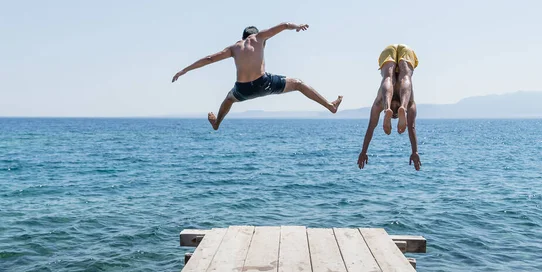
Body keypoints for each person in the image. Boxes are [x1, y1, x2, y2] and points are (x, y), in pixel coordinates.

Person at [172, 23, 343, 130]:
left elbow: (209, 59)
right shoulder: (260, 37)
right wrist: (296, 26)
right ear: (256, 36)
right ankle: (330, 106)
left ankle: (216, 124)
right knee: (298, 83)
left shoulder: (233, 48)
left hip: (242, 89)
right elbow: (283, 25)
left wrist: (184, 70)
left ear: (242, 37)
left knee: (228, 100)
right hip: (264, 83)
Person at [357, 44, 421, 171]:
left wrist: (364, 151)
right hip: (403, 52)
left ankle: (387, 107)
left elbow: (371, 127)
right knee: (406, 76)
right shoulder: (410, 103)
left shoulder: (380, 103)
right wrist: (414, 152)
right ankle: (401, 104)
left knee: (388, 77)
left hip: (391, 50)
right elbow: (411, 127)